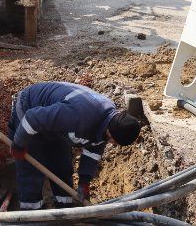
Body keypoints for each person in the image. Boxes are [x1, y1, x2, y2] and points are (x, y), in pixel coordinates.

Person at [8, 81, 141, 210]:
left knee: (62, 165)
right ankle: (32, 214)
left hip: (55, 121)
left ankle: (64, 210)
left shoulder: (109, 121)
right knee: (31, 171)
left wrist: (84, 181)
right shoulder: (78, 116)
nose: (112, 144)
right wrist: (19, 145)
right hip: (30, 107)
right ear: (110, 132)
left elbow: (93, 151)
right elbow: (32, 118)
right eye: (114, 141)